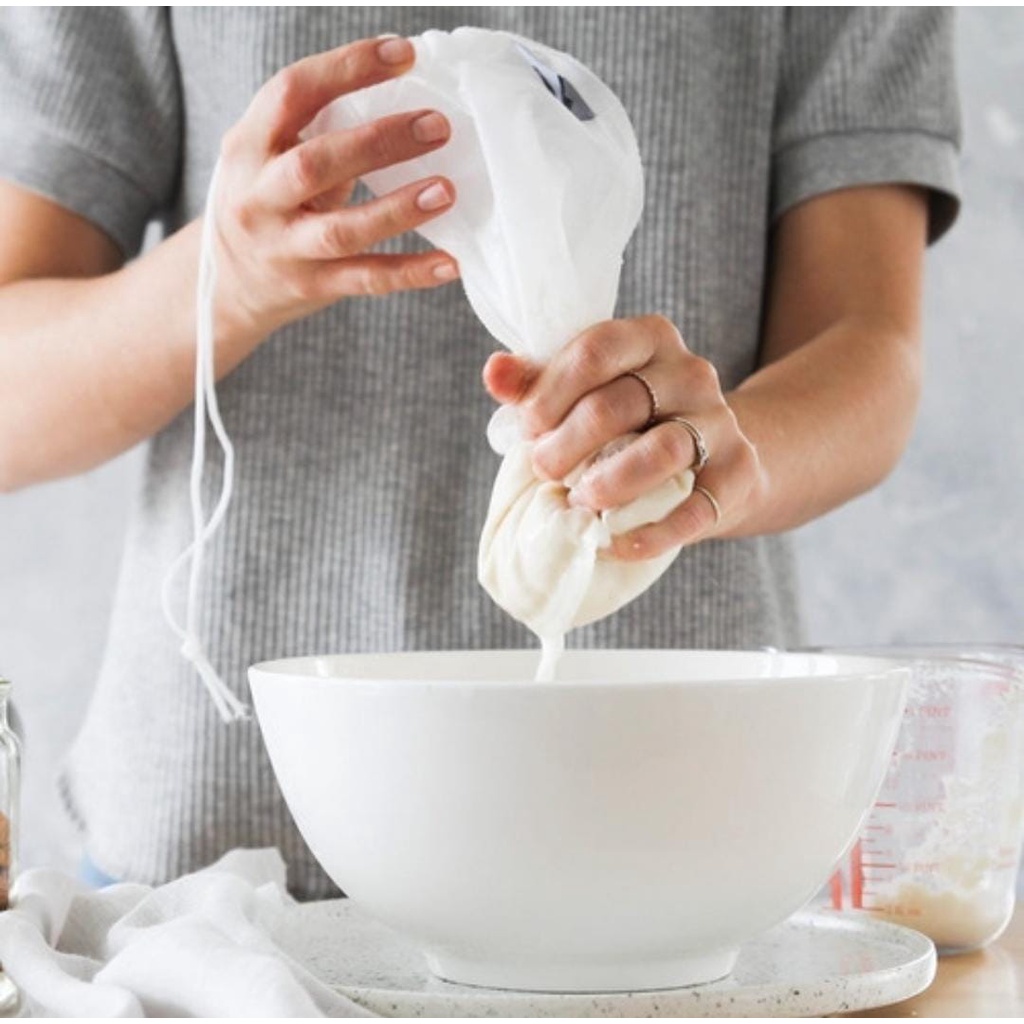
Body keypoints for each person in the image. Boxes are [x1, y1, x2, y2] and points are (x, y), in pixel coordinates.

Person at [0, 9, 960, 898]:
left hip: (682, 848)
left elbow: (869, 346)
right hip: (217, 880)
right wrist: (227, 278)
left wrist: (721, 456)